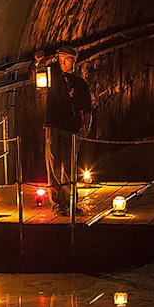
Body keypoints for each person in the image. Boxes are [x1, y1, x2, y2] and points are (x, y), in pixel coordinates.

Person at [38, 45, 93, 216]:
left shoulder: (81, 84)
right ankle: (58, 204)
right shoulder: (53, 76)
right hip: (53, 126)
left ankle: (71, 203)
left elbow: (88, 108)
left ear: (73, 61)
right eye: (60, 59)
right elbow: (39, 73)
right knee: (53, 167)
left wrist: (86, 126)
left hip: (71, 128)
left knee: (69, 167)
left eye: (66, 59)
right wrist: (39, 62)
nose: (62, 63)